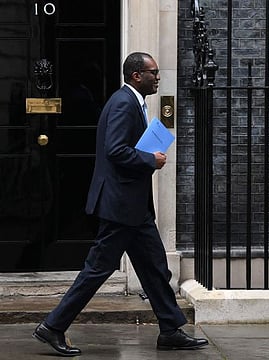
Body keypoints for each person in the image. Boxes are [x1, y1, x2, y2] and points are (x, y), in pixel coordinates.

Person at [32, 52, 208, 356]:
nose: (158, 78)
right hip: (121, 206)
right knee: (96, 271)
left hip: (134, 208)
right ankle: (53, 326)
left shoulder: (130, 101)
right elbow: (115, 150)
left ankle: (170, 329)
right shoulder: (124, 103)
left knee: (154, 268)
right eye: (154, 73)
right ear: (137, 75)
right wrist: (149, 159)